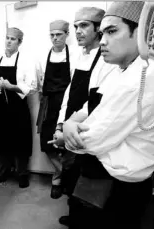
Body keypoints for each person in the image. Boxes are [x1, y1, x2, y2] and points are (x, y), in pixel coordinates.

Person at [63, 2, 154, 229]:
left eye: (112, 31)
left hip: (119, 185)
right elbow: (92, 106)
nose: (103, 41)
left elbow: (90, 139)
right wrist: (69, 122)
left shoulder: (139, 77)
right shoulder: (123, 69)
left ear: (140, 32)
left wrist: (65, 135)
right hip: (105, 174)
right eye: (102, 33)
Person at [47, 6, 116, 226]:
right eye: (76, 26)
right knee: (69, 174)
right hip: (70, 126)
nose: (78, 31)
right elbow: (69, 93)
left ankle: (79, 218)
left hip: (85, 132)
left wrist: (70, 130)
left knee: (85, 180)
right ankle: (73, 214)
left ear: (99, 29)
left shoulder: (106, 59)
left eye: (84, 25)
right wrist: (61, 124)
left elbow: (96, 105)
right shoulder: (80, 55)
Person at [0, 27, 38, 188]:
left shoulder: (26, 61)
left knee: (20, 141)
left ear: (19, 42)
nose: (8, 41)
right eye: (7, 38)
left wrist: (11, 86)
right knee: (0, 140)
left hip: (18, 108)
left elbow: (32, 87)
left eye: (13, 39)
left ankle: (22, 174)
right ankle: (2, 172)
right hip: (0, 107)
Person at [37, 19, 73, 199]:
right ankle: (63, 173)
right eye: (52, 35)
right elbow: (39, 84)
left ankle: (58, 181)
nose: (55, 38)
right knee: (46, 143)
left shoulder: (74, 56)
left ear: (67, 34)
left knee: (66, 143)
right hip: (48, 105)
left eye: (59, 34)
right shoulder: (44, 58)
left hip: (67, 105)